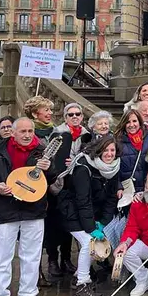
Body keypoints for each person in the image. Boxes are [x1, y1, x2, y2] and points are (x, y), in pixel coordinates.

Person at [0, 117, 51, 296]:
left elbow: (53, 179)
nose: (28, 135)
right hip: (4, 209)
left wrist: (50, 169)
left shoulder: (42, 152)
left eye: (31, 131)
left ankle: (28, 293)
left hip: (34, 209)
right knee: (2, 255)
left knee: (31, 254)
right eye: (23, 132)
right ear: (13, 133)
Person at [57, 136, 121, 296]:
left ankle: (79, 274)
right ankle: (82, 285)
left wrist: (103, 222)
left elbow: (111, 199)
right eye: (105, 150)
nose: (109, 154)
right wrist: (91, 227)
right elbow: (82, 200)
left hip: (92, 213)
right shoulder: (83, 168)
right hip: (71, 211)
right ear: (98, 151)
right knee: (89, 242)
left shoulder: (113, 168)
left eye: (112, 150)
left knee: (95, 241)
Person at [47, 104, 86, 280]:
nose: (75, 117)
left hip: (76, 184)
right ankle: (53, 259)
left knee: (72, 223)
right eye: (71, 114)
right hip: (59, 183)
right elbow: (50, 156)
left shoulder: (87, 134)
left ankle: (66, 258)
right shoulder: (58, 134)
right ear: (65, 117)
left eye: (78, 114)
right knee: (56, 224)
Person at [115, 109, 148, 202]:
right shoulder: (117, 142)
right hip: (127, 191)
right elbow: (113, 169)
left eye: (134, 121)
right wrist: (118, 186)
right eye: (128, 122)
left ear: (140, 122)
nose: (131, 125)